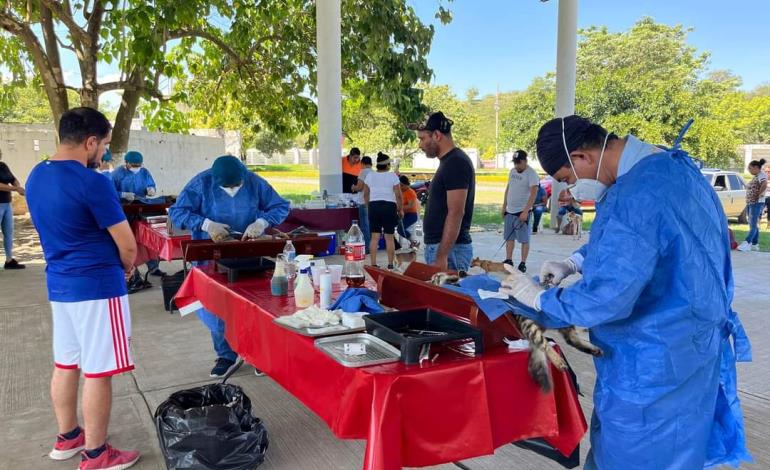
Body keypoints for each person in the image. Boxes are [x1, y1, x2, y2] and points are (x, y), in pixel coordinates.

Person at [501, 115, 752, 470]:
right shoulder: (675, 168)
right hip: (690, 349)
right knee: (678, 449)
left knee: (635, 456)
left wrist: (538, 297)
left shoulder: (635, 195)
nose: (570, 191)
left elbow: (605, 299)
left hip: (652, 367)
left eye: (567, 179)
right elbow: (650, 244)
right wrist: (575, 261)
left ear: (582, 157)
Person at [25, 107, 141, 469]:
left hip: (60, 285)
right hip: (97, 287)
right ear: (90, 141)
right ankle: (95, 454)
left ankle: (68, 436)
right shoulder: (94, 183)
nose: (104, 153)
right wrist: (126, 268)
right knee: (98, 371)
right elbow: (127, 245)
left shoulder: (35, 176)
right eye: (104, 145)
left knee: (65, 364)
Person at [169, 155, 289, 377]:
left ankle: (256, 353)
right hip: (212, 256)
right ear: (215, 180)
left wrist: (261, 223)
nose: (234, 189)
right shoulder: (201, 183)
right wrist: (207, 224)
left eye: (237, 185)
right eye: (228, 186)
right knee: (217, 307)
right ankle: (225, 355)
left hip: (249, 252)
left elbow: (281, 206)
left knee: (254, 304)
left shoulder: (254, 181)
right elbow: (178, 212)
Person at [409, 112, 475, 272]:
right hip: (442, 248)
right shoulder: (449, 162)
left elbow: (456, 212)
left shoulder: (455, 163)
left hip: (450, 250)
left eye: (422, 138)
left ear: (437, 135)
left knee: (449, 295)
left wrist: (442, 256)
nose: (420, 145)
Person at [111, 150, 164, 276]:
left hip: (141, 207)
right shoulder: (117, 174)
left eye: (138, 165)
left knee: (148, 238)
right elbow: (109, 192)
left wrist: (152, 189)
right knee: (130, 240)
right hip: (125, 210)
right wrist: (122, 194)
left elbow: (151, 184)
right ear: (126, 163)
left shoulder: (144, 172)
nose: (136, 168)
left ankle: (154, 267)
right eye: (133, 165)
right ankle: (133, 272)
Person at [501, 150, 538, 272]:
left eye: (519, 163)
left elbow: (533, 193)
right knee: (509, 237)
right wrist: (504, 206)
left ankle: (523, 262)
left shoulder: (531, 174)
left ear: (525, 161)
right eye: (515, 163)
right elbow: (508, 188)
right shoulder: (512, 171)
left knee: (524, 239)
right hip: (509, 211)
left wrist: (526, 211)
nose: (516, 165)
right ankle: (508, 259)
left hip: (522, 212)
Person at [363, 152, 402, 269]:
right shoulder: (393, 176)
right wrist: (400, 209)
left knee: (374, 237)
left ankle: (373, 263)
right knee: (389, 237)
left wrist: (368, 207)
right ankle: (390, 264)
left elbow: (366, 194)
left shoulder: (370, 176)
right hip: (389, 206)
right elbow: (399, 195)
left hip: (374, 206)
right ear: (387, 165)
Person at [0, 150, 26, 270]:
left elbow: (12, 178)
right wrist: (16, 189)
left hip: (7, 204)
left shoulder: (3, 166)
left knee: (8, 232)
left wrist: (18, 186)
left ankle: (9, 260)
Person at [737, 159, 767, 252]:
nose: (749, 170)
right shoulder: (757, 175)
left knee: (753, 224)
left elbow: (764, 184)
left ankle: (747, 242)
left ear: (756, 167)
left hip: (756, 203)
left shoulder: (762, 175)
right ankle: (754, 244)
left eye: (750, 168)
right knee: (753, 224)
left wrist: (759, 194)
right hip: (752, 202)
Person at [351, 155, 373, 252]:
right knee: (371, 225)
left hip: (363, 202)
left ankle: (367, 248)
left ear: (362, 163)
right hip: (373, 201)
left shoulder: (363, 172)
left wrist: (353, 187)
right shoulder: (374, 173)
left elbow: (360, 187)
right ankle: (373, 246)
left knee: (364, 226)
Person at [396, 175, 421, 247]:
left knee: (400, 229)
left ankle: (414, 241)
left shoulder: (411, 192)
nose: (401, 187)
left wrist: (399, 208)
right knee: (389, 224)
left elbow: (411, 206)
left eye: (402, 185)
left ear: (407, 185)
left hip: (411, 215)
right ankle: (393, 243)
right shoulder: (399, 191)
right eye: (399, 185)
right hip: (401, 213)